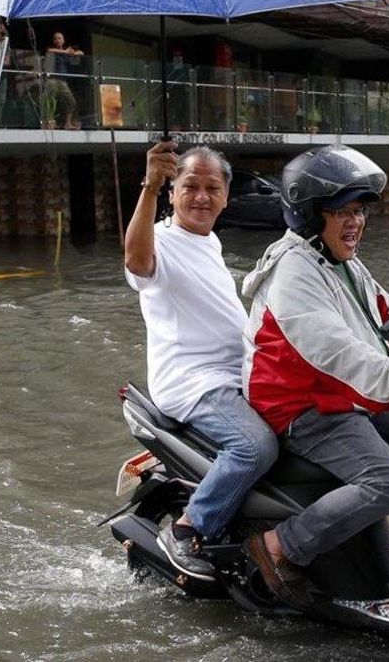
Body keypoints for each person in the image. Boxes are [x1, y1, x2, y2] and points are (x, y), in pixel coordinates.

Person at [239, 145, 389, 608]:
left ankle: (351, 516)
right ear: (309, 215)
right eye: (342, 211)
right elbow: (338, 353)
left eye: (360, 211)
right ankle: (279, 545)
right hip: (300, 404)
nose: (356, 222)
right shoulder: (294, 272)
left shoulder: (342, 264)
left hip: (337, 396)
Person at [125, 141, 279, 581]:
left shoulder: (208, 241)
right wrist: (149, 186)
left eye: (213, 188)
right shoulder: (163, 240)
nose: (201, 196)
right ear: (173, 193)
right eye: (189, 186)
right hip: (193, 382)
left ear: (227, 198)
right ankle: (189, 528)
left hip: (237, 375)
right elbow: (137, 261)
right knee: (255, 447)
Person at [45, 31, 83, 129]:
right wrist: (66, 52)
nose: (57, 40)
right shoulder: (53, 50)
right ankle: (50, 122)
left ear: (63, 40)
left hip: (62, 81)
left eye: (59, 38)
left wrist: (74, 52)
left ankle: (68, 123)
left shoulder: (67, 53)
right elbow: (49, 50)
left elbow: (81, 54)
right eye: (55, 38)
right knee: (51, 101)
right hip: (52, 79)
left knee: (71, 101)